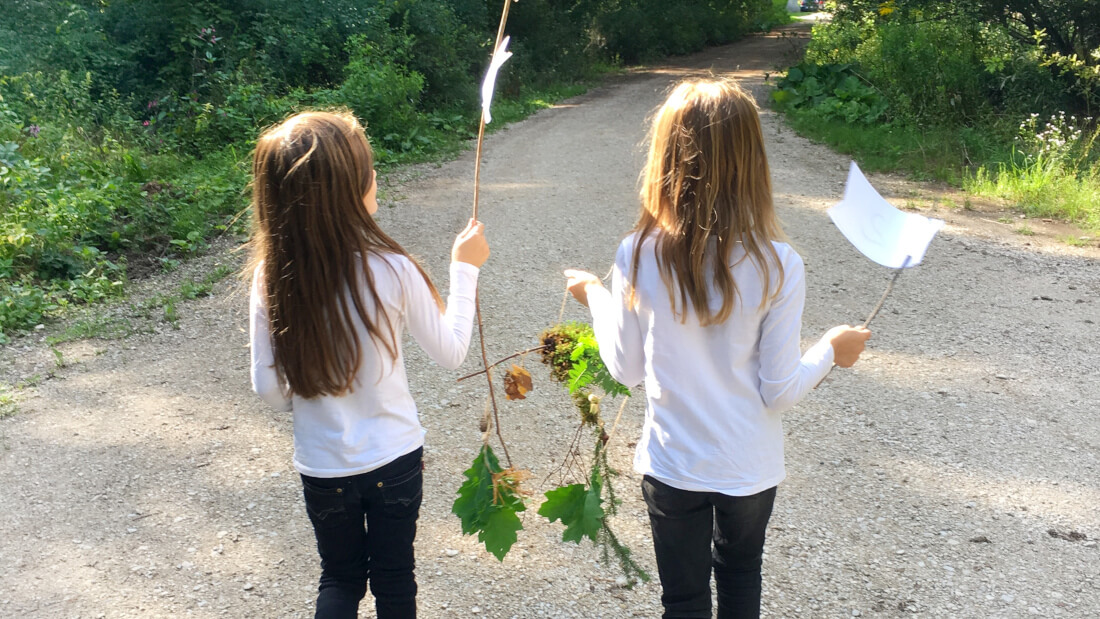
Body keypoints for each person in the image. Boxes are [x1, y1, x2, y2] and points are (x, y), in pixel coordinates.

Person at [564, 79, 871, 619]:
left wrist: (595, 295)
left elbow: (625, 369)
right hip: (747, 466)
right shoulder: (779, 264)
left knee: (682, 600)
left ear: (666, 158)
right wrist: (830, 349)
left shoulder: (637, 252)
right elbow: (779, 392)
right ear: (753, 163)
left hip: (673, 464)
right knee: (740, 577)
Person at [247, 110, 489, 619]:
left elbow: (268, 389)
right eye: (367, 170)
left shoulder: (271, 275)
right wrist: (464, 269)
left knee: (339, 579)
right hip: (394, 458)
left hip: (323, 465)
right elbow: (451, 352)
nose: (375, 176)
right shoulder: (392, 268)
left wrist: (312, 396)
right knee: (395, 579)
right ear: (347, 192)